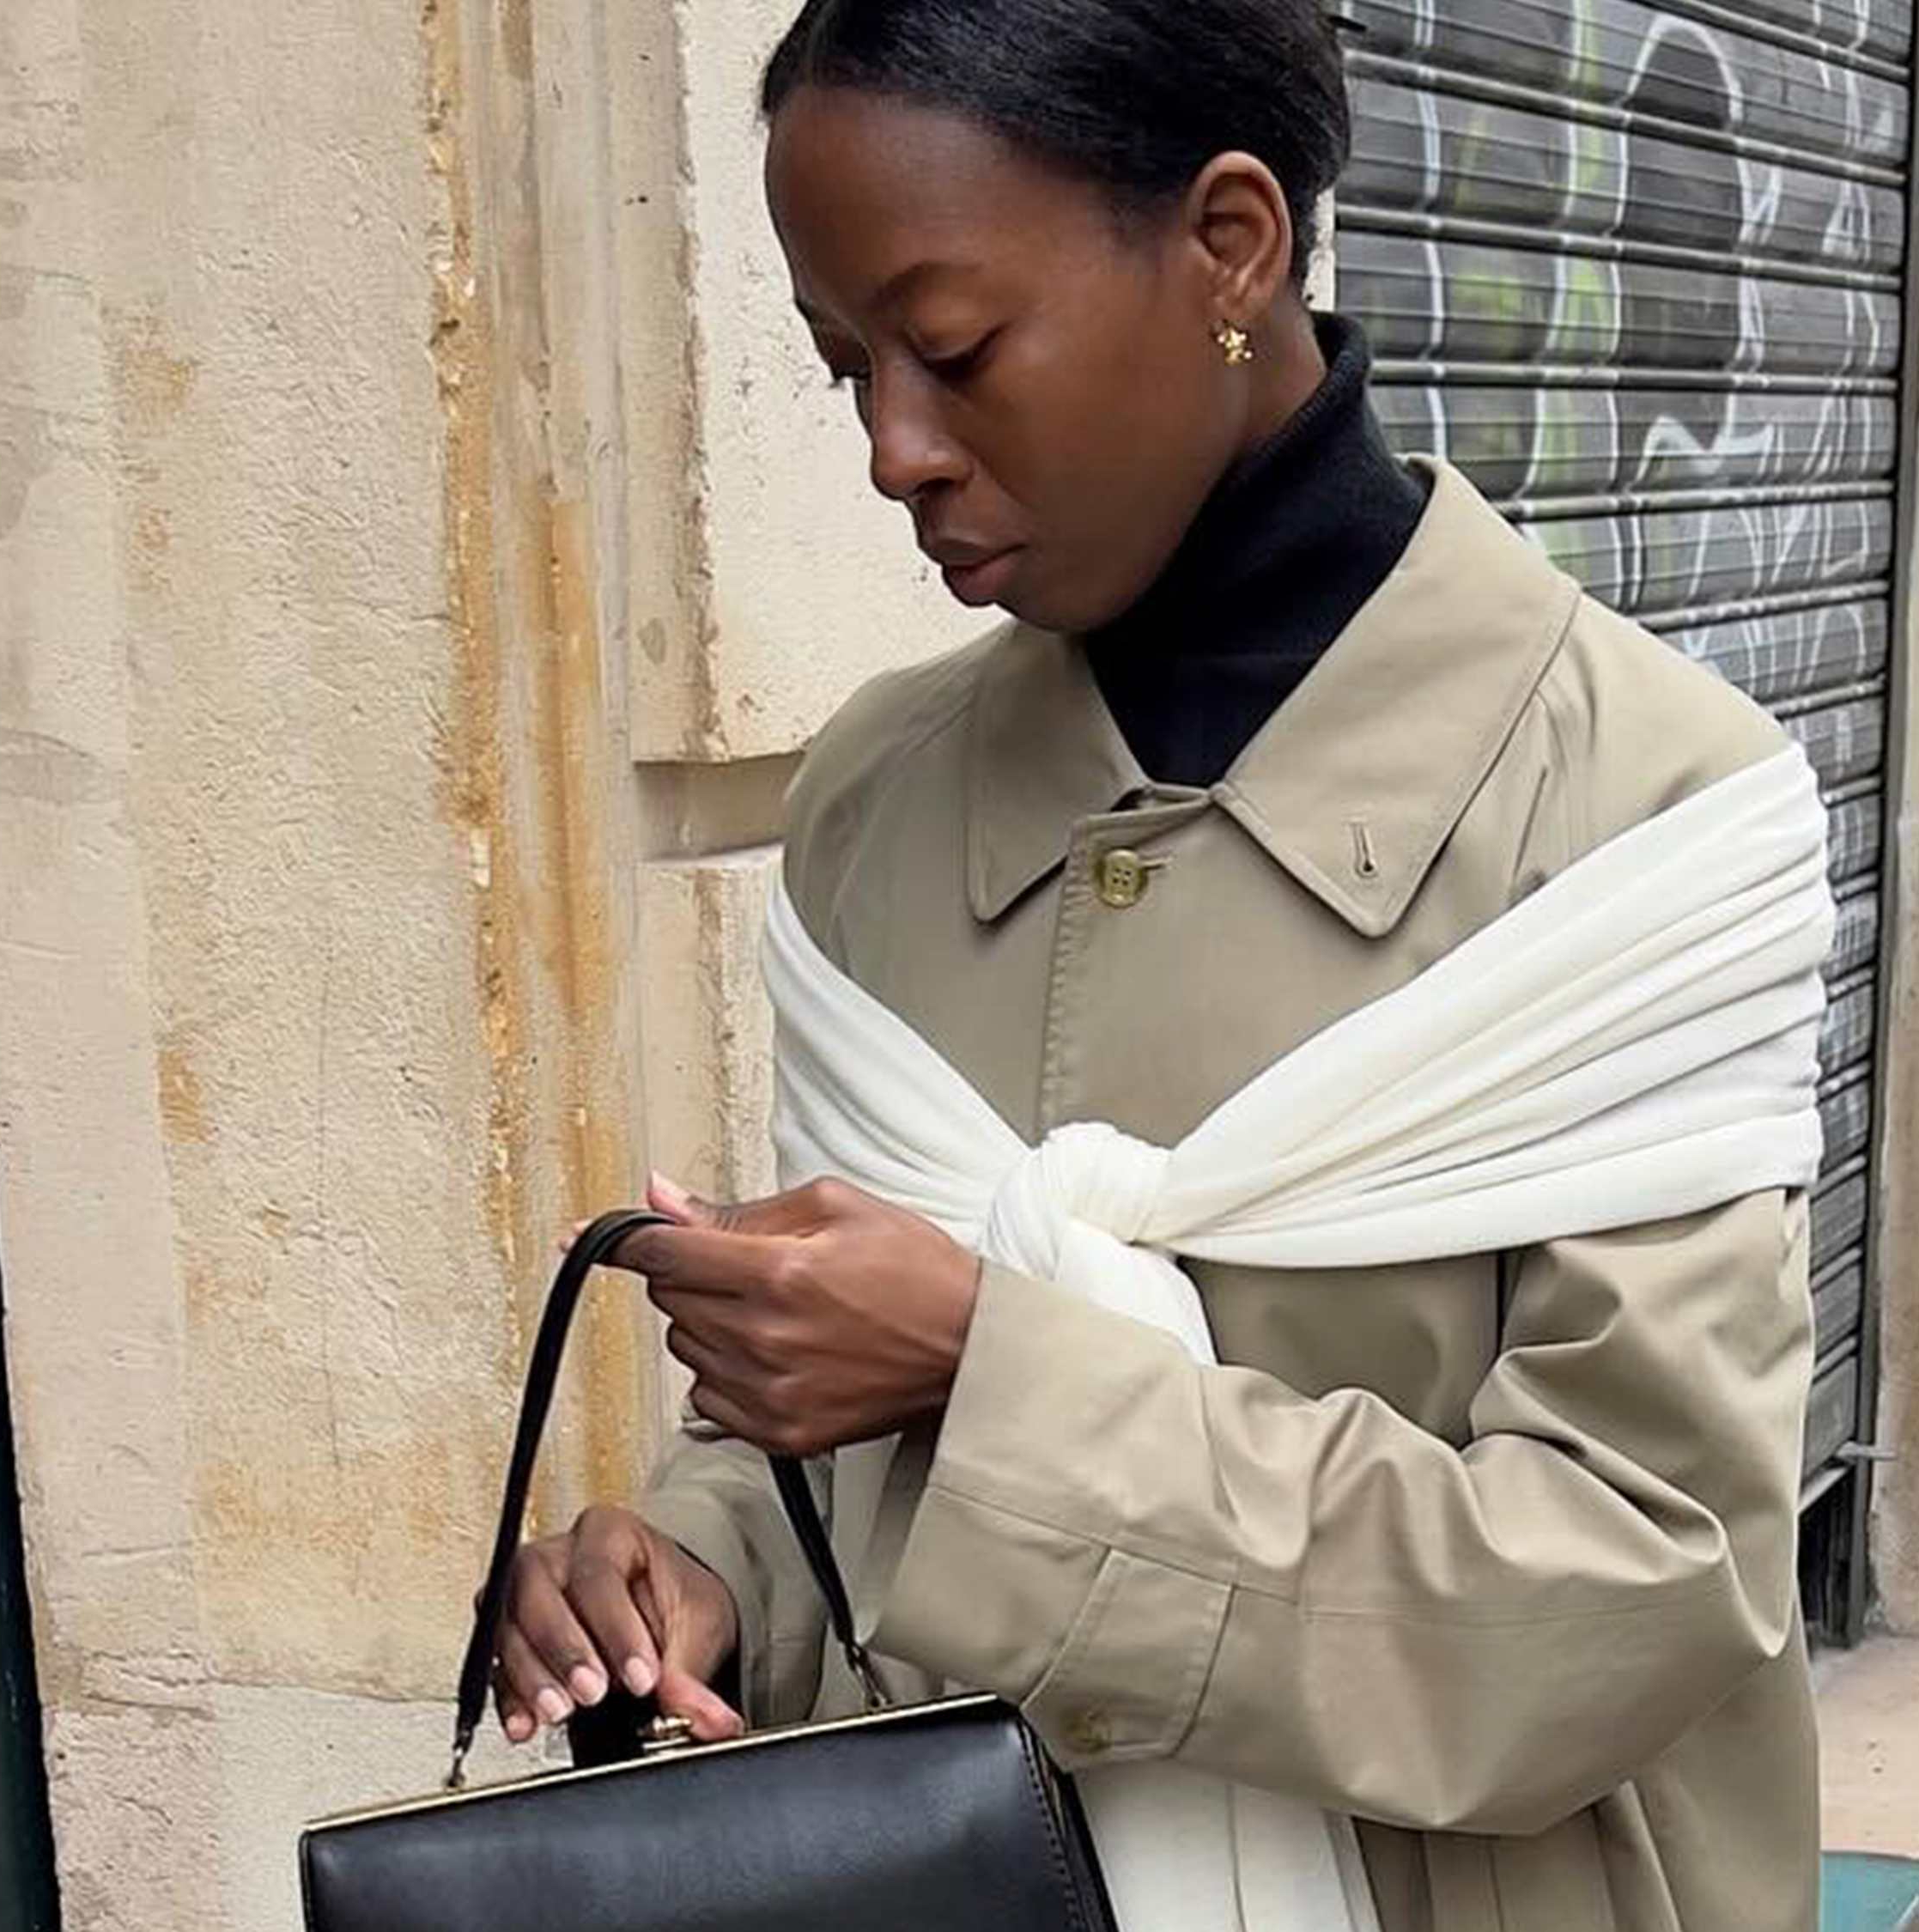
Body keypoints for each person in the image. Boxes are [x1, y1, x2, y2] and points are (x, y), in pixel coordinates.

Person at [485, 3, 1825, 1928]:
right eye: (839, 367)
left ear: (1228, 245)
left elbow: (1622, 1595)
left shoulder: (1639, 817)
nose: (890, 451)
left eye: (948, 351)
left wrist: (985, 1364)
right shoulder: (879, 799)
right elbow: (842, 1465)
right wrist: (700, 1567)